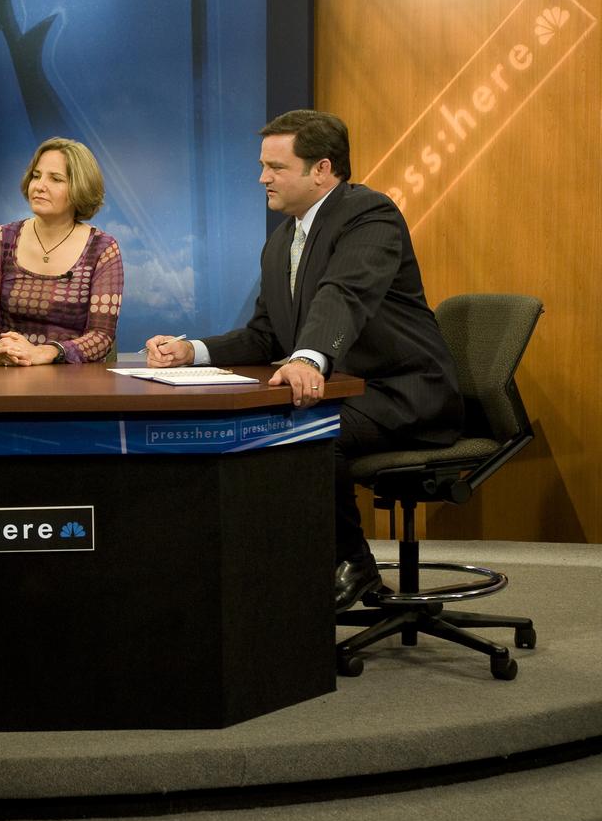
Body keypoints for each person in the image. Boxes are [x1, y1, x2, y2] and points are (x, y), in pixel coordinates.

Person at [144, 110, 463, 612]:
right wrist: (193, 351)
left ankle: (352, 562)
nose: (262, 178)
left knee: (301, 434)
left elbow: (345, 293)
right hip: (350, 391)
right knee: (273, 426)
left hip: (404, 392)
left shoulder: (368, 214)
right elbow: (266, 334)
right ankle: (301, 566)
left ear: (322, 169)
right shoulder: (281, 242)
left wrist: (310, 359)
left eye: (275, 167)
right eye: (262, 165)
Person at [0, 137, 122, 365]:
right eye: (36, 176)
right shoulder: (0, 239)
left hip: (73, 380)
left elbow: (101, 336)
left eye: (56, 179)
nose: (39, 186)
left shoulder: (103, 249)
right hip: (6, 373)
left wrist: (44, 353)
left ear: (80, 187)